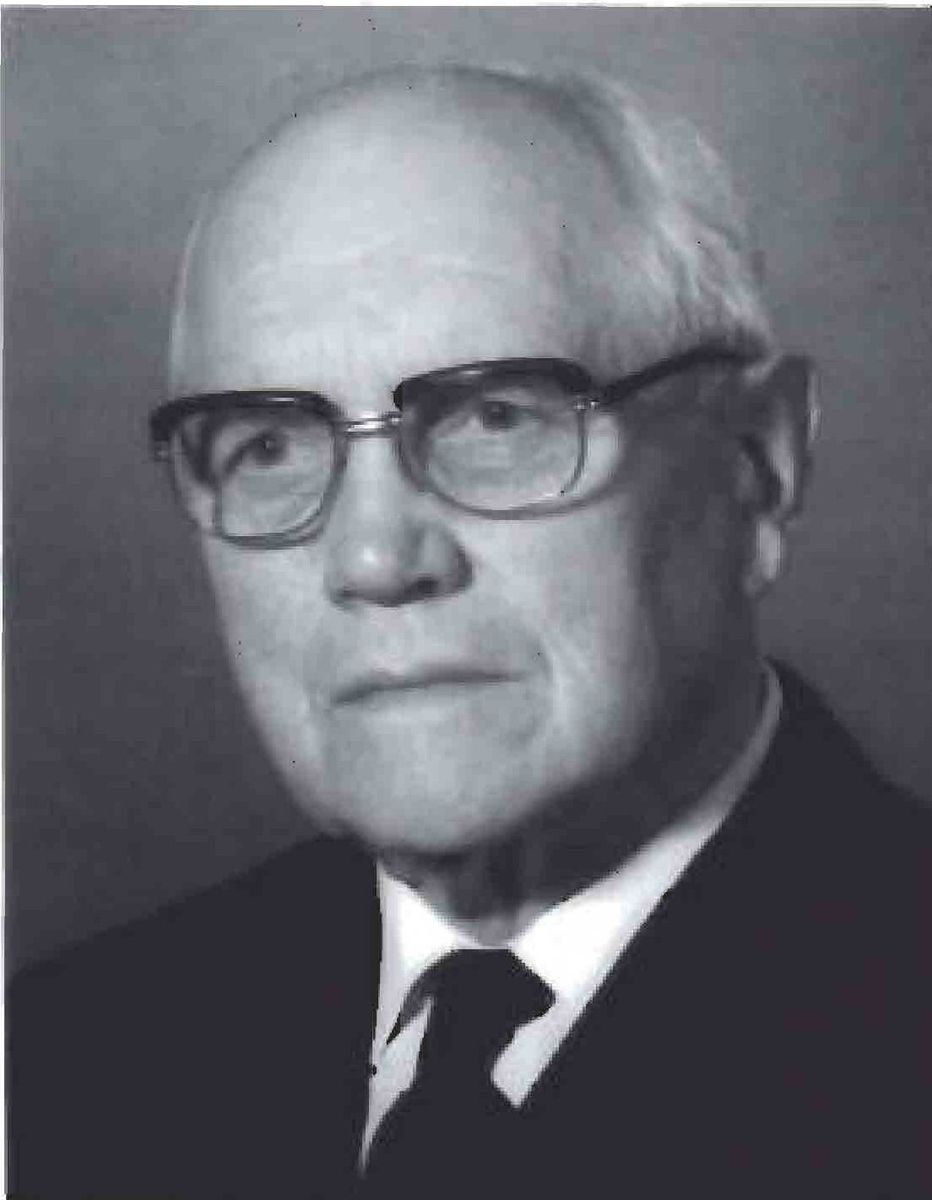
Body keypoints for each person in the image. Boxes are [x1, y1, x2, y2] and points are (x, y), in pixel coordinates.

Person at [8, 64, 929, 1199]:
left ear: (755, 465)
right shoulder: (61, 1064)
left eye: (496, 417)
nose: (374, 559)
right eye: (268, 445)